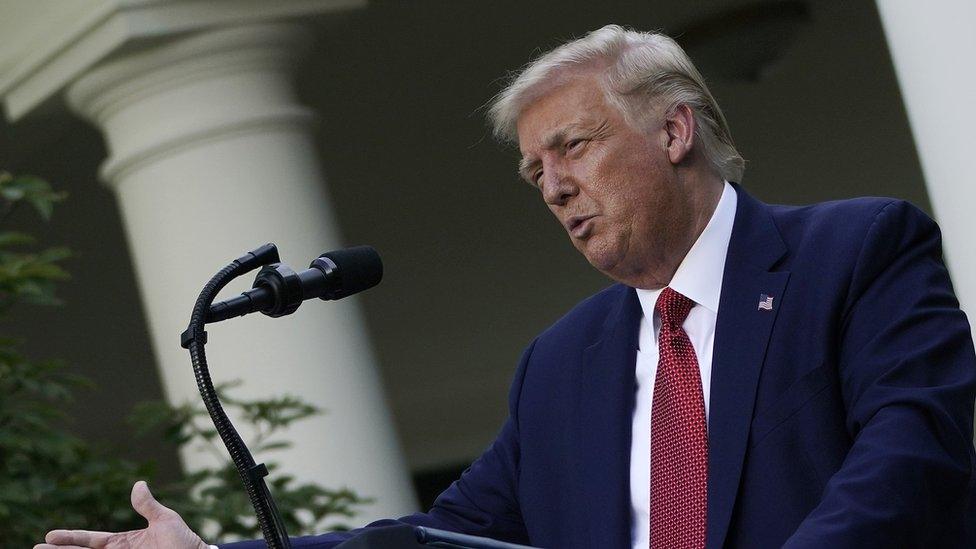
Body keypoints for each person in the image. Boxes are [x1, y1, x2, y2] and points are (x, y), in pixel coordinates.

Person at [37, 24, 976, 549]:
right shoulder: (564, 365)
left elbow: (910, 461)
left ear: (675, 131)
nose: (555, 185)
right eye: (535, 172)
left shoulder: (856, 252)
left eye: (572, 147)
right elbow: (441, 545)